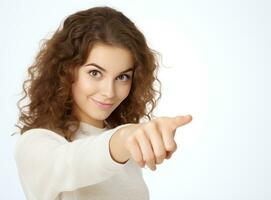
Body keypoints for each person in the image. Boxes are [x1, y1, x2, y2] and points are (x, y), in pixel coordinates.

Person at [13, 6, 193, 200]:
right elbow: (74, 163)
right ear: (66, 70)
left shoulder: (124, 144)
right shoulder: (35, 144)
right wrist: (124, 138)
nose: (109, 92)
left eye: (123, 77)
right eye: (95, 73)